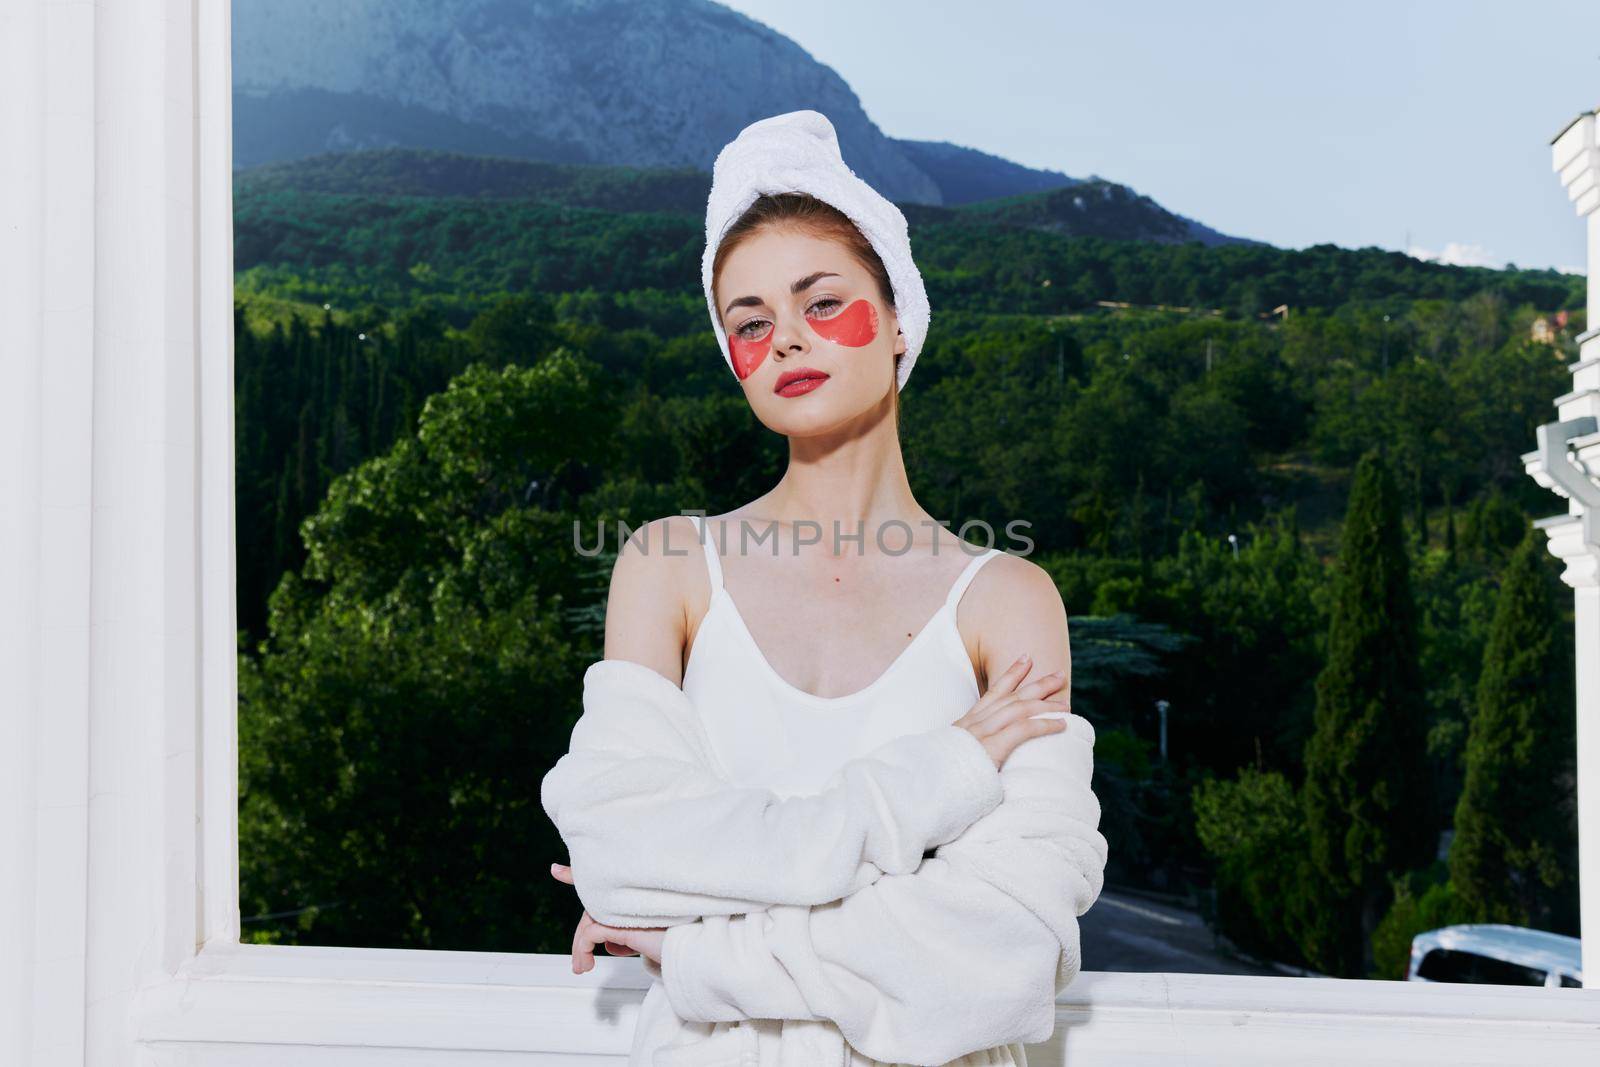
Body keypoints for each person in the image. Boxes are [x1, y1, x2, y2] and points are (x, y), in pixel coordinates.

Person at [541, 110, 1106, 1067]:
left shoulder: (1008, 600)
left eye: (822, 302)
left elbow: (1003, 949)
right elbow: (622, 860)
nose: (788, 341)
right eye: (750, 323)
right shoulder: (667, 565)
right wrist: (939, 775)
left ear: (897, 319)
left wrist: (697, 953)